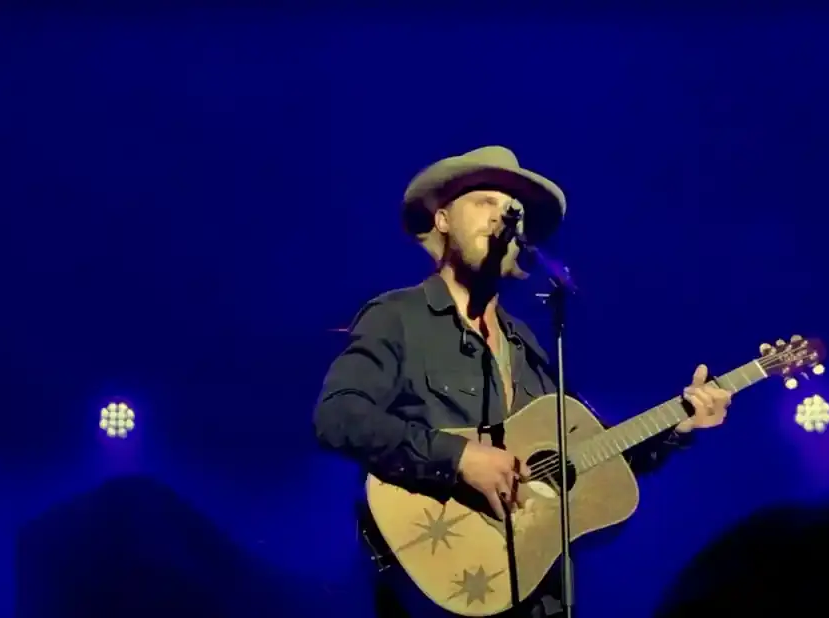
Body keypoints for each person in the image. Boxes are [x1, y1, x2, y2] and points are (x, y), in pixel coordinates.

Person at [312, 146, 732, 617]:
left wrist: (679, 427)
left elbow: (591, 461)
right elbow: (338, 416)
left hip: (534, 591)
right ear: (445, 219)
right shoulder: (399, 317)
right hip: (437, 577)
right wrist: (458, 458)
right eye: (484, 201)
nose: (502, 215)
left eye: (513, 209)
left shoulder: (530, 344)